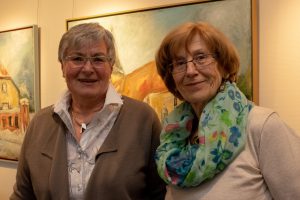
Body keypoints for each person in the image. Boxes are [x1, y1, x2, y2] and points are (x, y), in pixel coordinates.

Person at [11, 23, 166, 200]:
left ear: (111, 66)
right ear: (62, 66)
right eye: (77, 58)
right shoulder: (39, 124)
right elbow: (22, 195)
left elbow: (159, 194)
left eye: (98, 59)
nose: (87, 68)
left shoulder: (143, 120)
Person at [155, 21, 300, 200]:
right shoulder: (174, 138)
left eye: (201, 57)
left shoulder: (261, 126)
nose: (190, 71)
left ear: (223, 65)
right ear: (171, 76)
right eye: (179, 63)